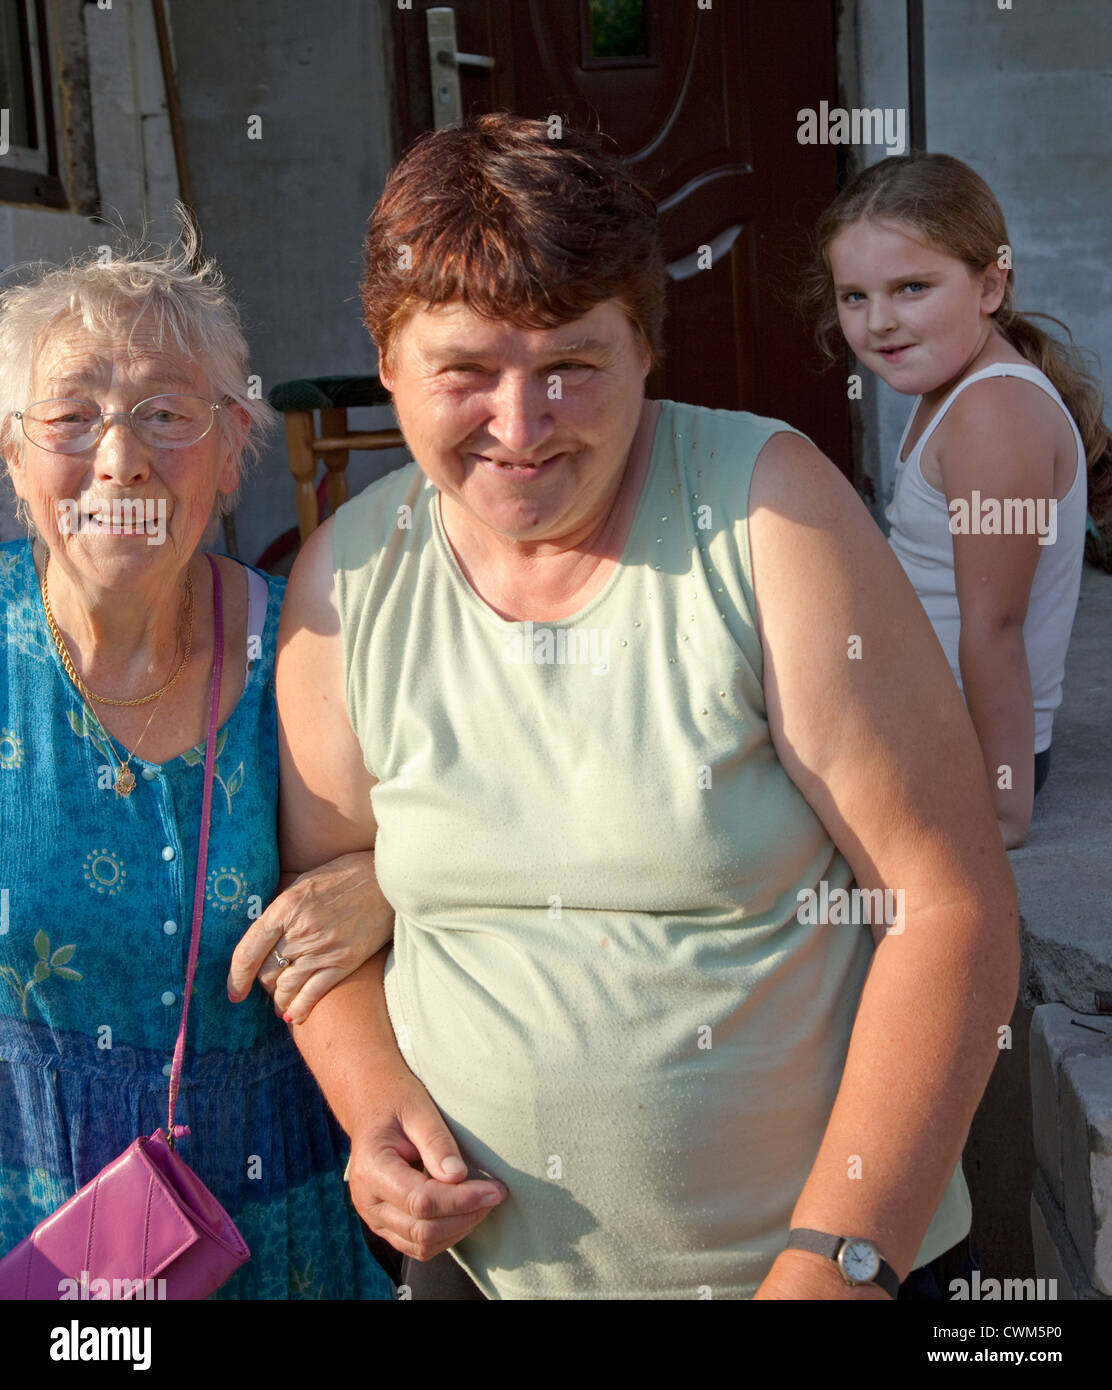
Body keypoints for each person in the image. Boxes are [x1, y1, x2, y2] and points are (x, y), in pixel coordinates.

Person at [252, 113, 1019, 1300]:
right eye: (464, 371)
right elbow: (324, 918)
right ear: (387, 358)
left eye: (570, 363)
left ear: (646, 348)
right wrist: (373, 1118)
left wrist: (838, 1261)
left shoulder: (770, 517)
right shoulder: (342, 583)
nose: (520, 424)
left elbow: (946, 903)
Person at [0, 229, 393, 1299]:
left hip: (277, 1224)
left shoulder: (308, 654)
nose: (119, 457)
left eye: (165, 415)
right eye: (71, 417)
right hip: (28, 1230)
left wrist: (392, 880)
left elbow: (481, 827)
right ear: (14, 455)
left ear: (232, 452)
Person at [807, 153, 1112, 848]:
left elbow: (995, 629)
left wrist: (1003, 810)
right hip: (916, 718)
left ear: (989, 285)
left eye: (912, 288)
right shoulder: (957, 389)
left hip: (956, 752)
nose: (878, 322)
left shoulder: (992, 415)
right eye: (855, 296)